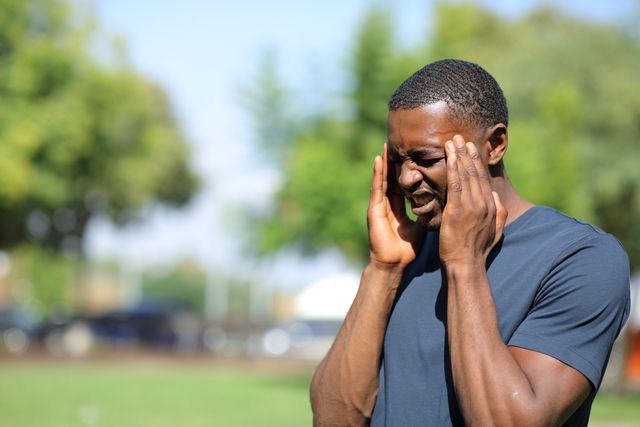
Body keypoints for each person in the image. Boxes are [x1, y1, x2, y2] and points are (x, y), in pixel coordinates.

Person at [309, 59, 630, 426]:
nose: (406, 177)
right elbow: (333, 419)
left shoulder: (581, 258)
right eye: (398, 160)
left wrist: (464, 263)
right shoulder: (406, 254)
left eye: (426, 158)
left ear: (494, 145)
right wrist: (384, 269)